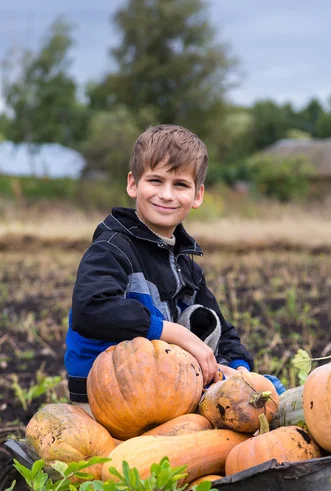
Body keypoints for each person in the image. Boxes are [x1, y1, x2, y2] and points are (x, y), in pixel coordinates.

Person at [65, 124, 282, 407]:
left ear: (197, 195)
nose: (166, 194)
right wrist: (175, 333)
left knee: (268, 389)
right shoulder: (111, 249)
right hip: (110, 395)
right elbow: (91, 310)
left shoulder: (185, 265)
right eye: (155, 181)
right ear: (133, 184)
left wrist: (238, 368)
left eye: (180, 185)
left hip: (166, 386)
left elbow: (223, 328)